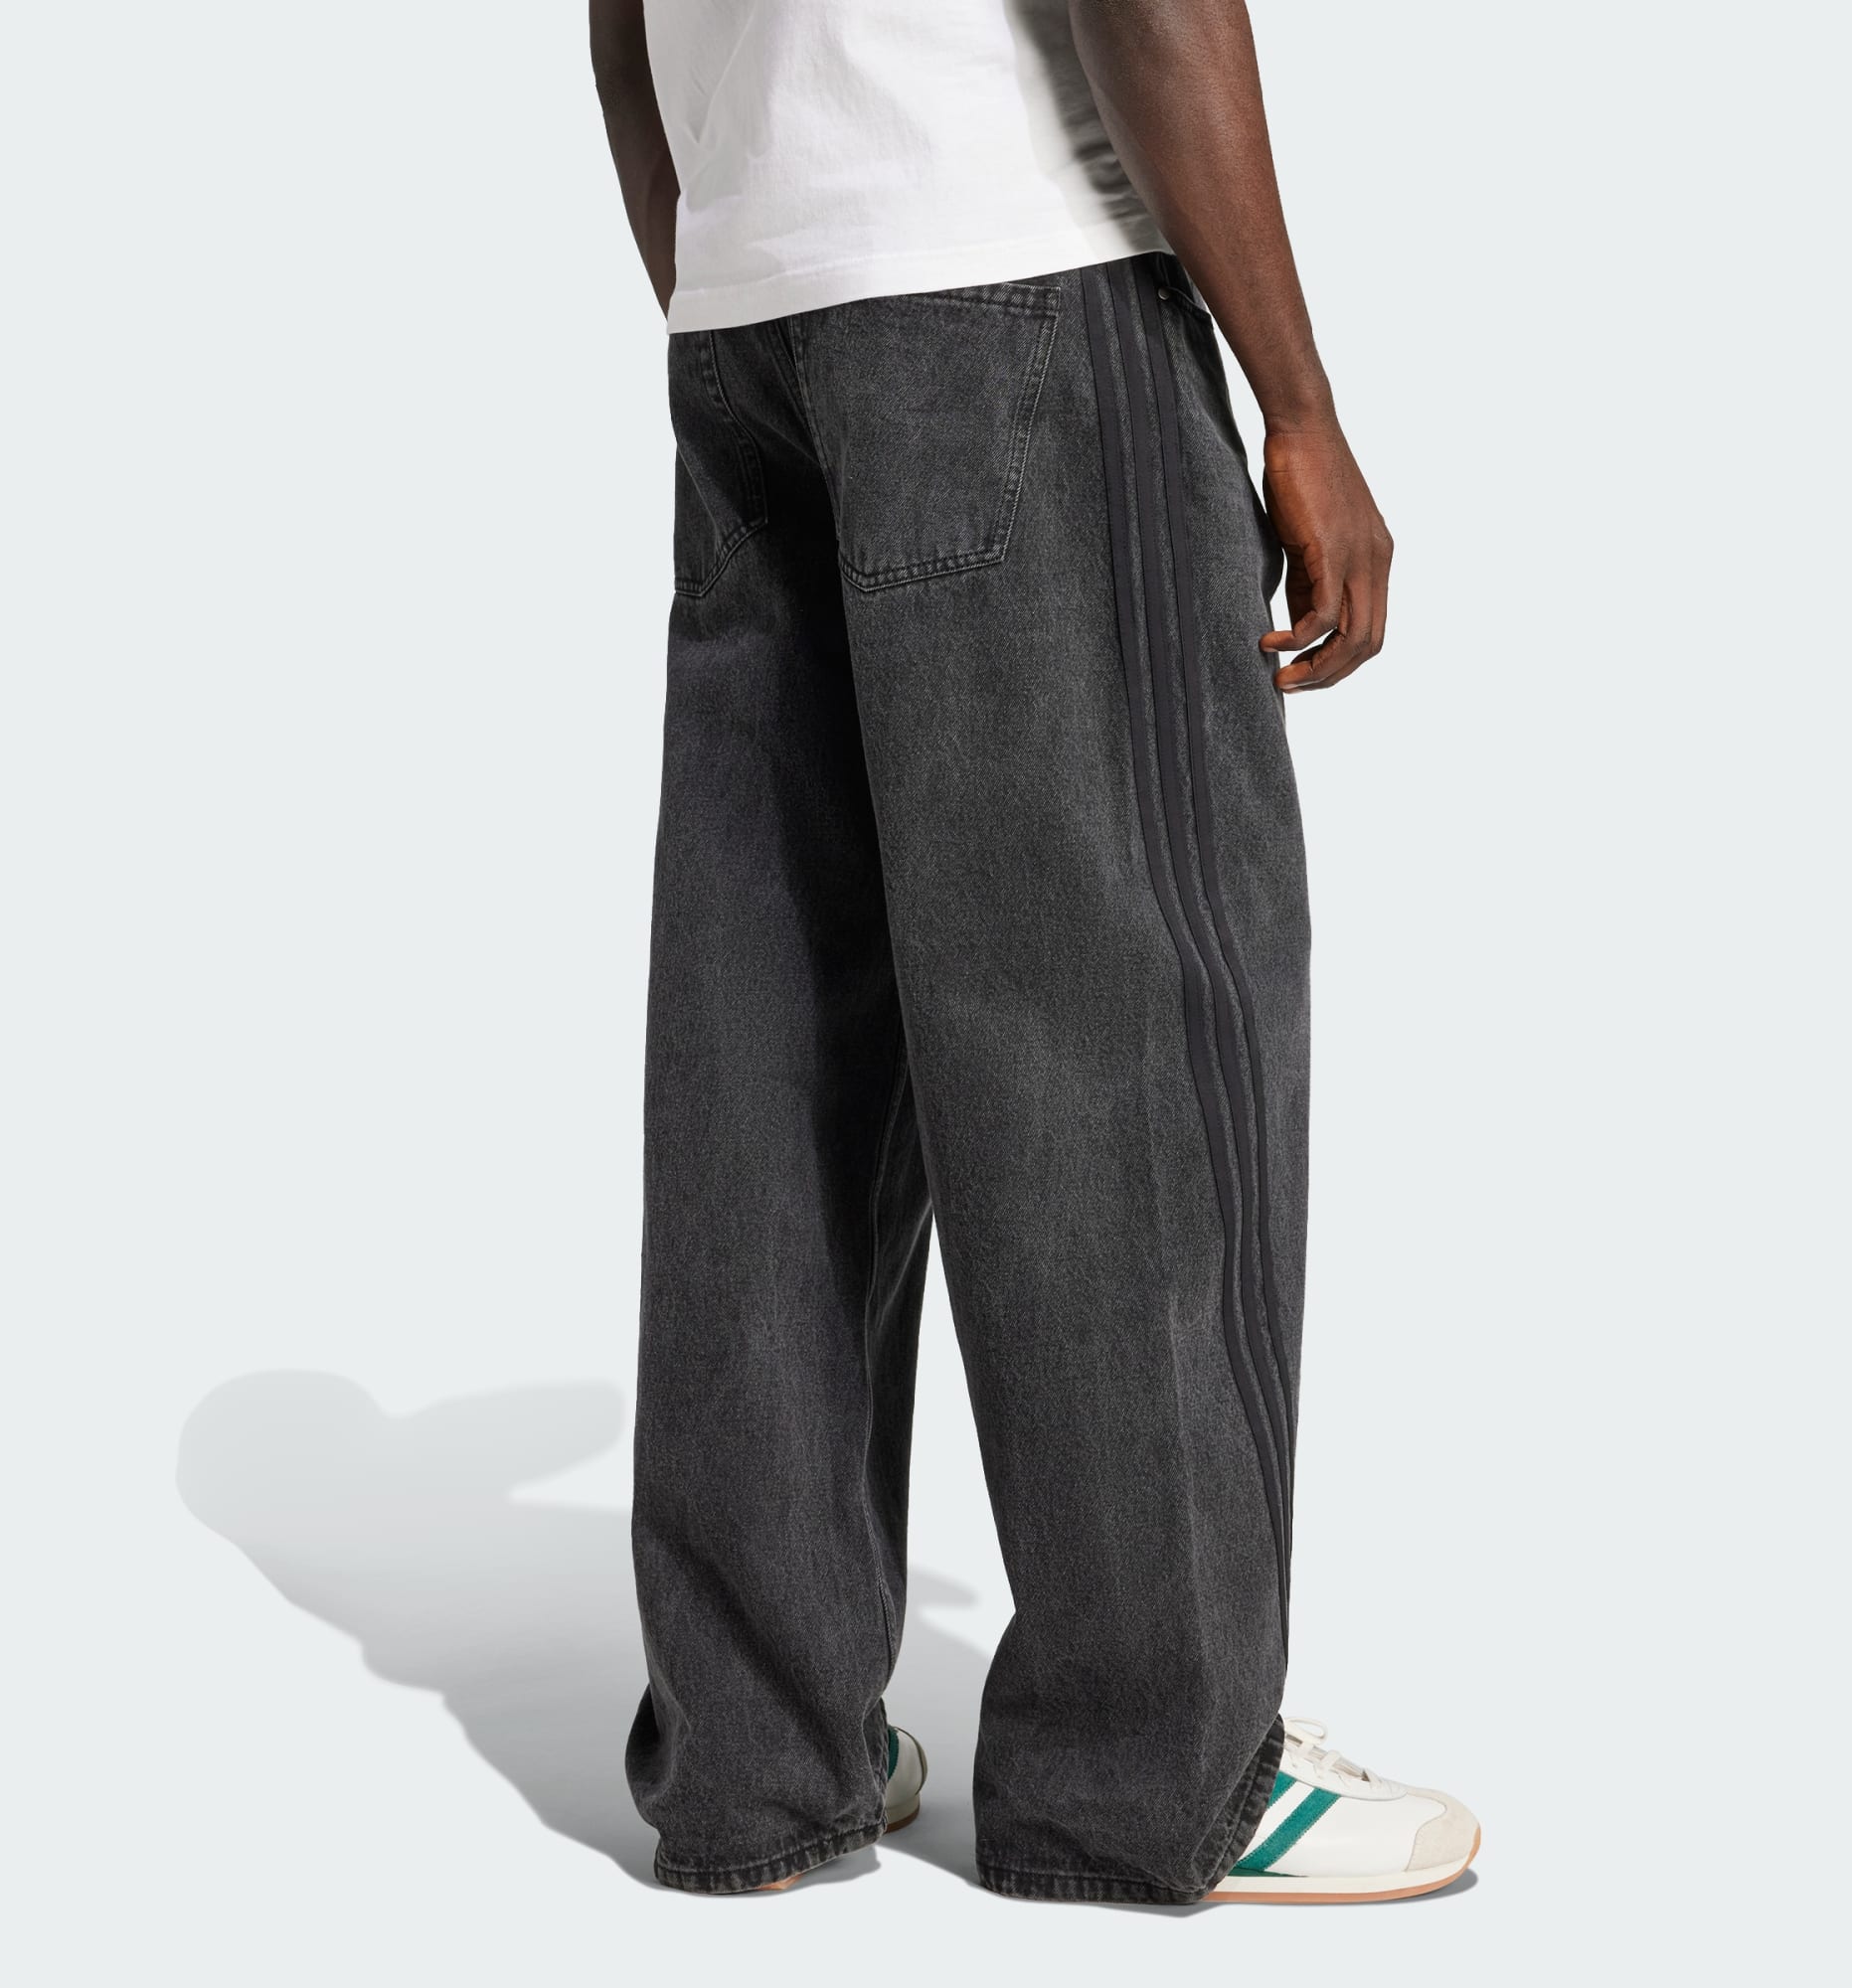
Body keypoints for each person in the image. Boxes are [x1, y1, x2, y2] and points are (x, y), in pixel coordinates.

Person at [590, 0, 1477, 1905]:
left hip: (751, 320)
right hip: (1017, 291)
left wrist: (751, 283)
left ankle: (759, 1757)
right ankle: (1154, 1777)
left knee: (772, 1054)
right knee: (1125, 1029)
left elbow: (615, 30)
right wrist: (1302, 407)